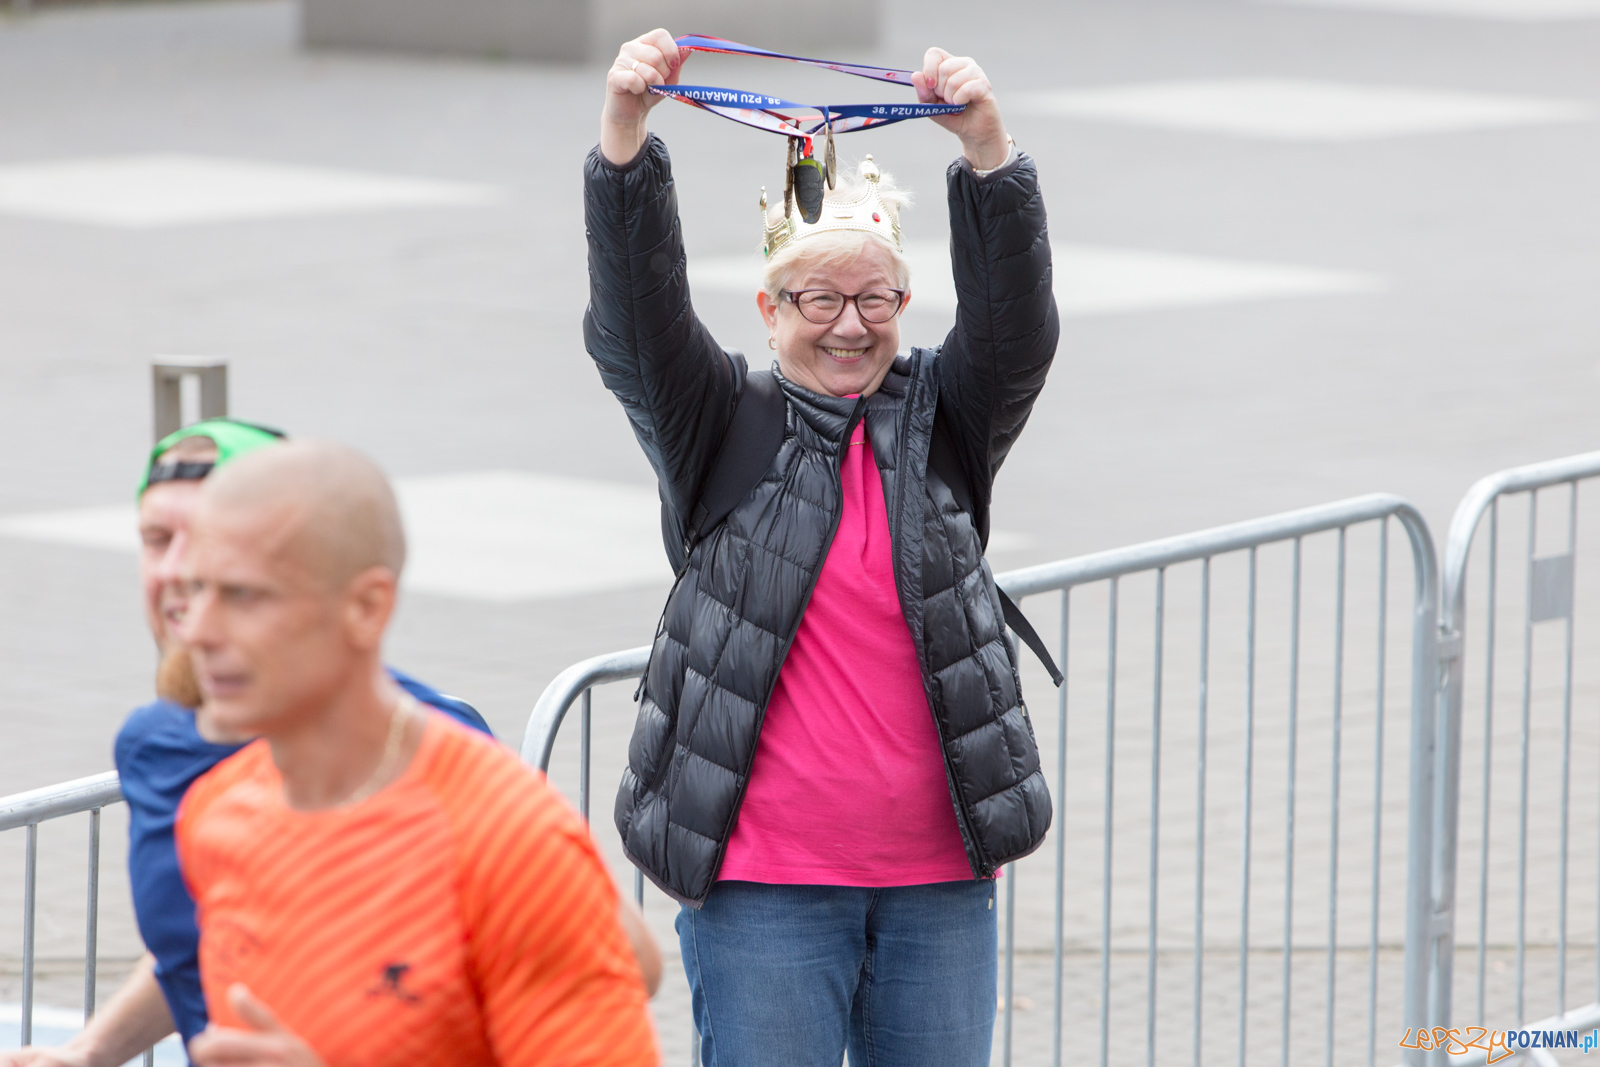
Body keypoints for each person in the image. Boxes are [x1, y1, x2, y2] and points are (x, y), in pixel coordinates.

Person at [587, 28, 1058, 1067]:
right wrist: (625, 139)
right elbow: (635, 323)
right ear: (768, 309)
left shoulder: (945, 417)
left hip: (939, 881)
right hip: (764, 889)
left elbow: (1016, 331)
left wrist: (987, 150)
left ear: (901, 306)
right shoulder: (716, 422)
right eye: (818, 299)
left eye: (875, 297)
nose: (849, 324)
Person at [2, 421, 658, 1067]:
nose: (197, 628)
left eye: (244, 595)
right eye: (196, 587)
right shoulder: (215, 811)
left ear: (368, 607)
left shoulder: (504, 836)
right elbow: (191, 966)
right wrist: (89, 1052)